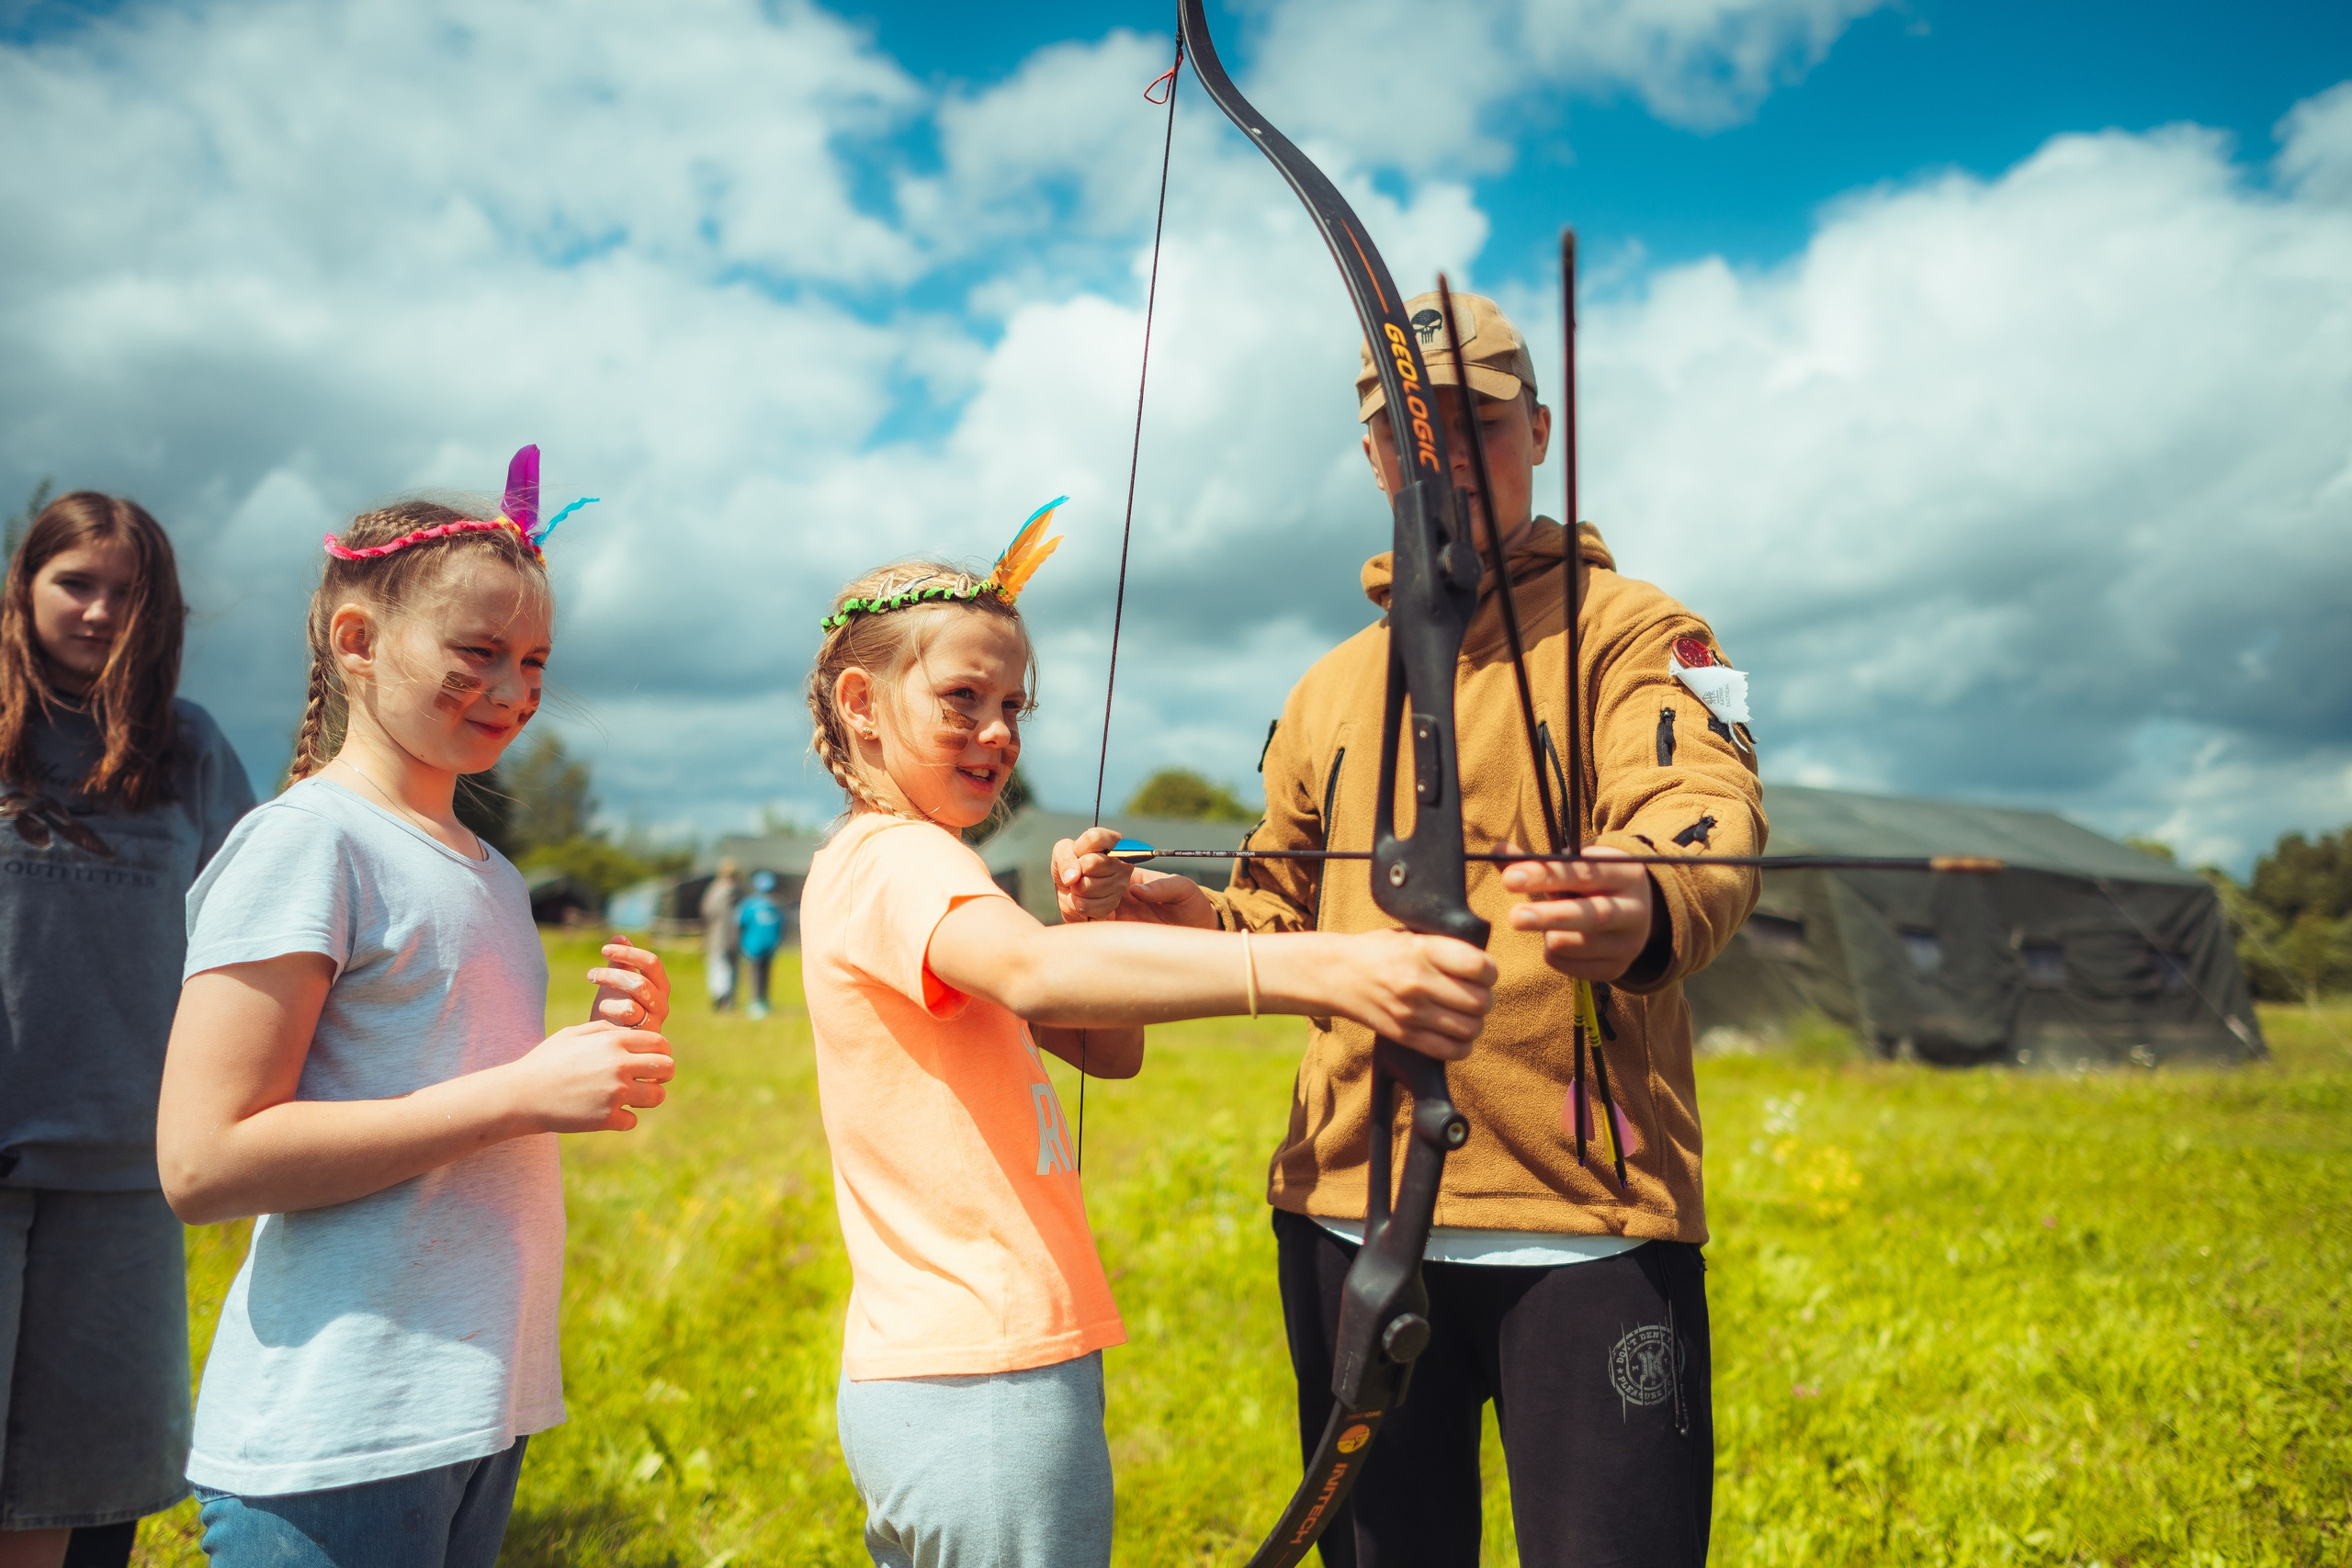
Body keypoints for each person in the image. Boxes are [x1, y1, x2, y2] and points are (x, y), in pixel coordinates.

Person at [1056, 292, 1764, 1568]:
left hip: (1586, 1215)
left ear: (1538, 430)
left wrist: (1642, 892)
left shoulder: (1637, 633)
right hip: (1350, 1211)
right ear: (1374, 455)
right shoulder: (1329, 684)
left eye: (1476, 424)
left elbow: (1701, 810)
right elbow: (1280, 907)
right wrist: (1184, 915)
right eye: (1409, 432)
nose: (1443, 459)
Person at [797, 509, 1498, 1568]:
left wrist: (1087, 930)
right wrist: (1330, 967)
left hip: (944, 1369)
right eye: (961, 699)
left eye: (1012, 706)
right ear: (861, 704)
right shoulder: (906, 861)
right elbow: (1031, 974)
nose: (998, 732)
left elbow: (1104, 1049)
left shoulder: (885, 865)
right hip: (982, 1372)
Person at [154, 452, 676, 1568]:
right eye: (477, 653)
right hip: (334, 1440)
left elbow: (441, 1079)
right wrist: (520, 1094)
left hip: (477, 1408)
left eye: (534, 662)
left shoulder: (491, 873)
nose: (515, 691)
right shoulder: (306, 842)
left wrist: (592, 1049)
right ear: (357, 641)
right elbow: (203, 1162)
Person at [0, 494, 254, 1568]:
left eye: (128, 592)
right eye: (76, 583)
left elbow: (252, 923)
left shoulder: (187, 747)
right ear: (24, 588)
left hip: (125, 1168)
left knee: (95, 1475)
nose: (101, 612)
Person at [737, 870, 783, 1020]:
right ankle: (759, 1001)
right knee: (762, 975)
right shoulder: (774, 905)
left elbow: (740, 923)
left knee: (756, 974)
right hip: (766, 945)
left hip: (754, 945)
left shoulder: (750, 904)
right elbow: (781, 926)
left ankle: (757, 1002)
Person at [702, 859, 742, 1011]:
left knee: (718, 967)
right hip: (735, 937)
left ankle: (719, 996)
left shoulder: (715, 891)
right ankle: (727, 999)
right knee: (731, 969)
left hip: (717, 937)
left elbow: (707, 911)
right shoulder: (741, 892)